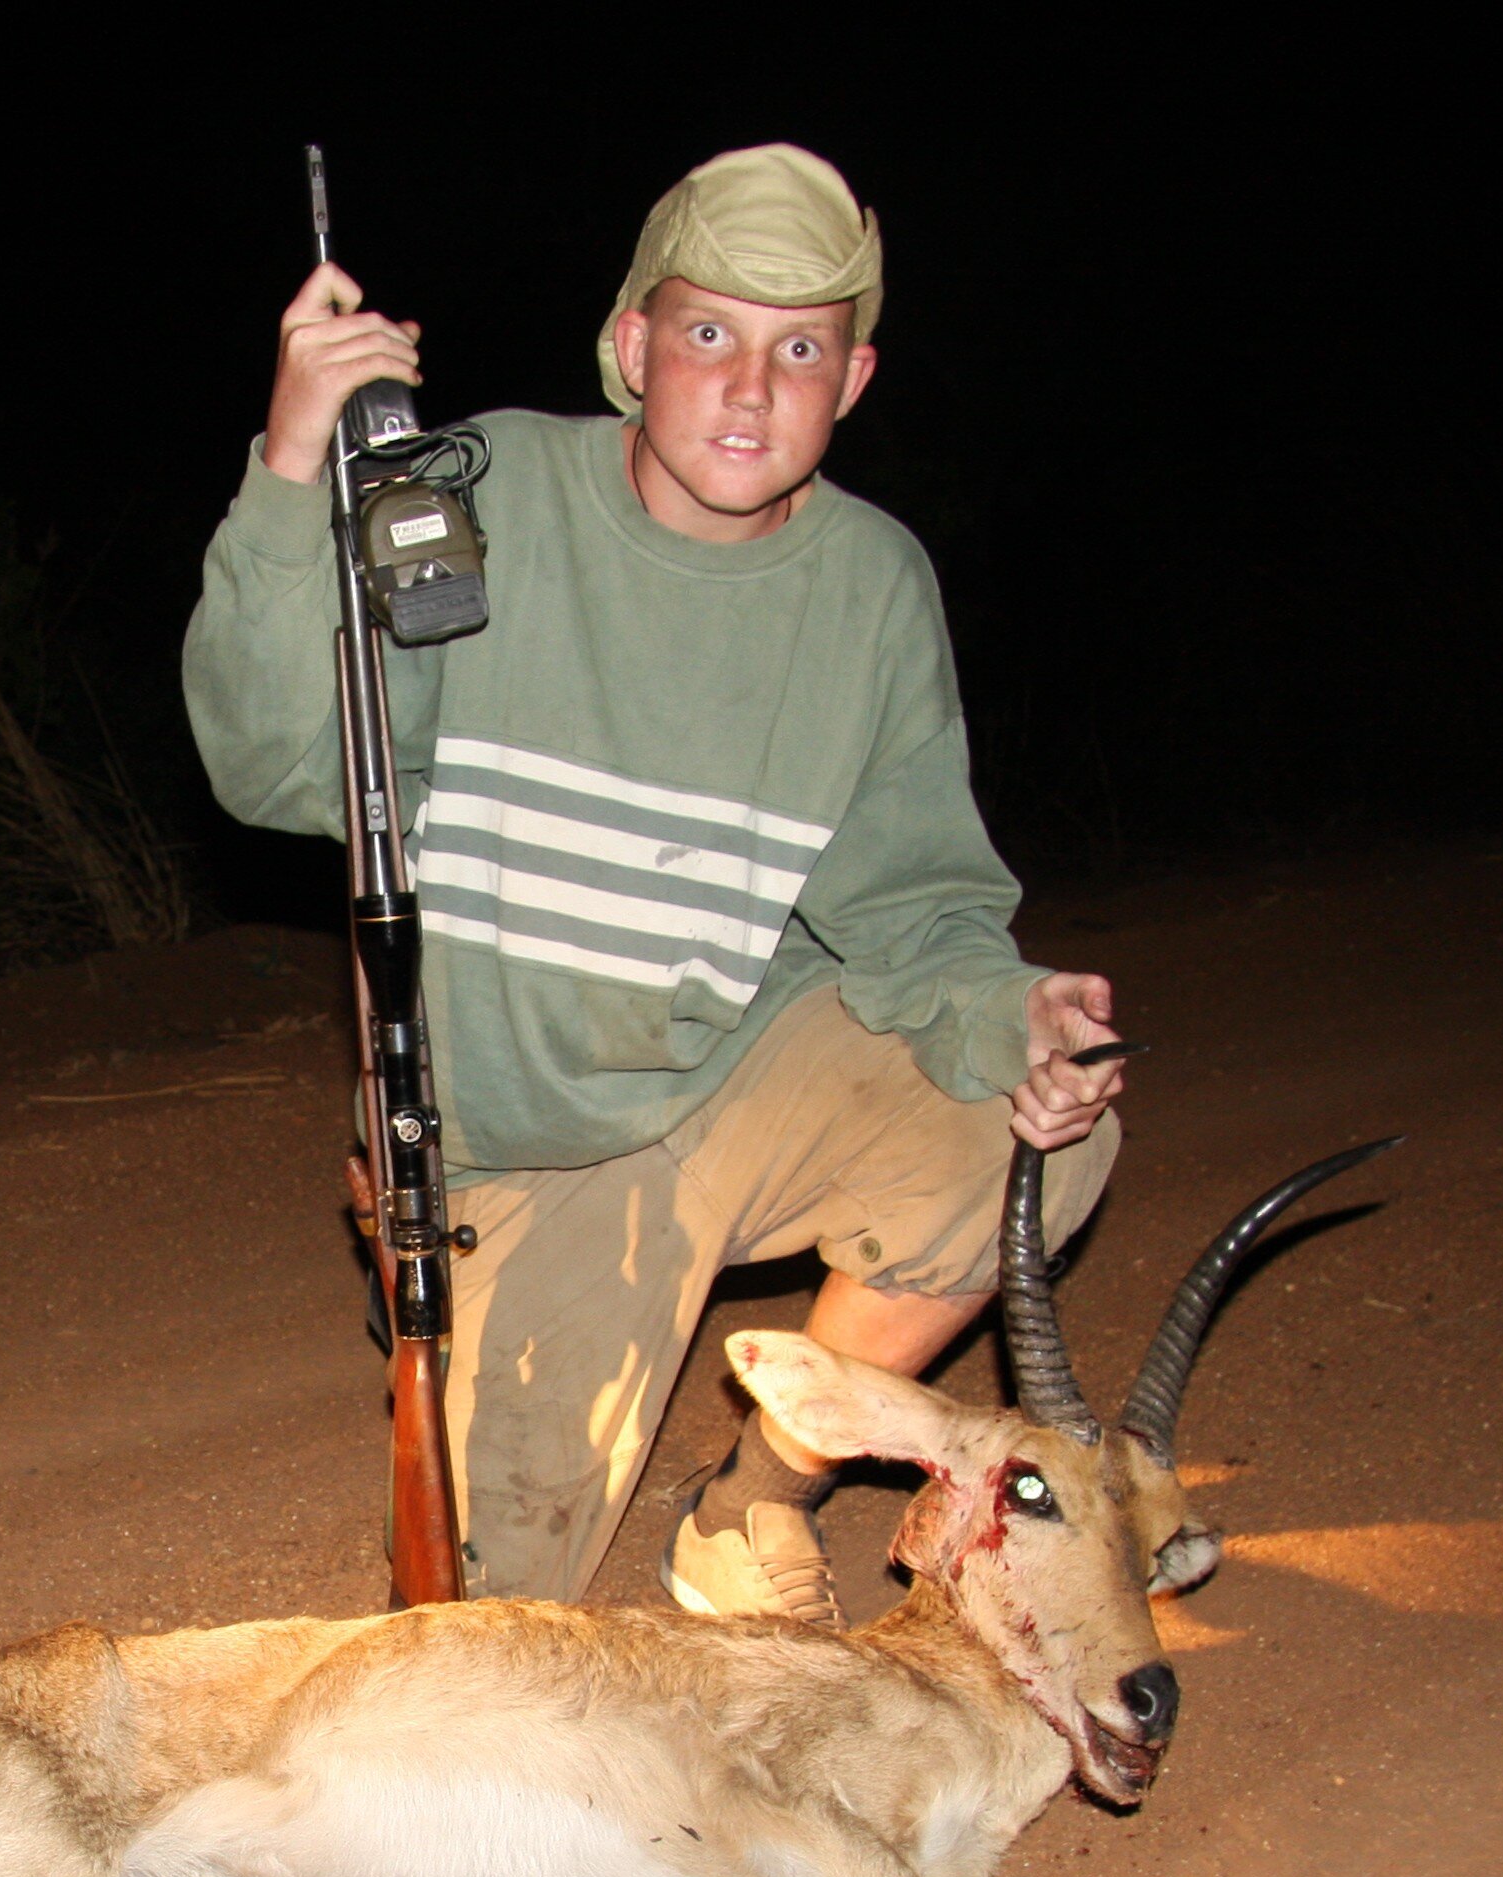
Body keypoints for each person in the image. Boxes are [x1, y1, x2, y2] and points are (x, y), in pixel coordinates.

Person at [185, 143, 1126, 1618]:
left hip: (733, 1085)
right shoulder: (473, 499)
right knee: (484, 1638)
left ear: (855, 380)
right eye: (709, 336)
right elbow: (276, 766)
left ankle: (755, 1505)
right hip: (527, 1157)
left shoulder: (873, 587)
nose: (751, 389)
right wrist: (293, 460)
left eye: (798, 349)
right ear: (633, 348)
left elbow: (916, 911)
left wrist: (1025, 1023)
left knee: (1031, 1139)